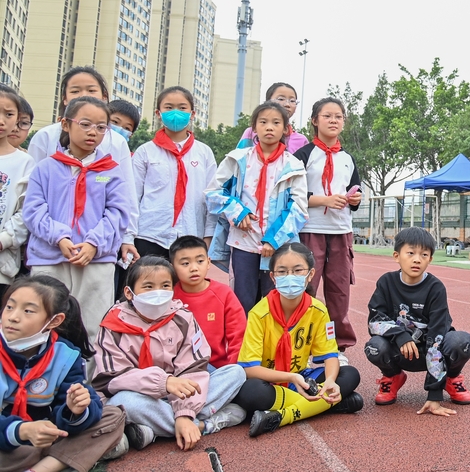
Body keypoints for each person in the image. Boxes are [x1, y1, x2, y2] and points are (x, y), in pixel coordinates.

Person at [92, 256, 247, 451]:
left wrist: (184, 413)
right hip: (141, 396)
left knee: (235, 373)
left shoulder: (183, 318)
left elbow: (194, 367)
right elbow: (112, 378)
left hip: (181, 394)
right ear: (129, 293)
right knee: (123, 402)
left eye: (165, 285)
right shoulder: (113, 324)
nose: (158, 293)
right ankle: (203, 425)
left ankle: (161, 427)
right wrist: (163, 383)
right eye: (148, 287)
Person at [22, 97, 132, 349]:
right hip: (50, 258)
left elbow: (118, 213)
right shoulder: (45, 168)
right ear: (65, 124)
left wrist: (93, 243)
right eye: (85, 124)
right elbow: (33, 210)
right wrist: (60, 237)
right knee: (42, 322)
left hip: (95, 260)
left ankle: (88, 385)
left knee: (94, 327)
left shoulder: (111, 170)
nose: (93, 132)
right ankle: (41, 380)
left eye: (101, 127)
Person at [234, 242, 363, 438]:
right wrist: (291, 377)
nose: (290, 277)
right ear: (273, 277)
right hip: (271, 381)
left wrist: (329, 381)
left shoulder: (318, 310)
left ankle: (282, 416)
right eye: (282, 271)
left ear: (310, 274)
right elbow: (249, 369)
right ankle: (330, 404)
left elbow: (329, 356)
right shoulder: (259, 314)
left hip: (302, 377)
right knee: (249, 392)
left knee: (350, 374)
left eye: (297, 270)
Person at [1, 276, 128, 472]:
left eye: (28, 311)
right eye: (9, 307)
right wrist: (22, 431)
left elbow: (74, 411)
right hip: (9, 441)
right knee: (29, 449)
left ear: (55, 320)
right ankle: (65, 459)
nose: (13, 317)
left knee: (112, 415)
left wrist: (74, 409)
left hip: (41, 439)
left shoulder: (65, 355)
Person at [28, 67, 139, 272]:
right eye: (75, 91)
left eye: (91, 90)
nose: (83, 96)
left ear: (104, 98)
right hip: (49, 251)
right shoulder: (45, 141)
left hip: (97, 253)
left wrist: (124, 237)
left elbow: (124, 201)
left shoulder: (116, 144)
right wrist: (57, 236)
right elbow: (32, 200)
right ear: (64, 99)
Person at [206, 101, 308, 314]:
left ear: (285, 129)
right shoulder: (237, 159)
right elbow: (213, 193)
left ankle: (275, 346)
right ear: (254, 128)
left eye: (276, 122)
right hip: (243, 242)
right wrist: (237, 211)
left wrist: (274, 239)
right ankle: (244, 345)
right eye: (263, 122)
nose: (269, 127)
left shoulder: (293, 165)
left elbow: (299, 208)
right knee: (243, 300)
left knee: (277, 302)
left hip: (279, 246)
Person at [365, 227, 470, 416]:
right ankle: (392, 376)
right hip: (400, 350)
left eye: (424, 254)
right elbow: (375, 321)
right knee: (374, 347)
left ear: (430, 259)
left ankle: (451, 378)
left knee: (461, 342)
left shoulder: (436, 288)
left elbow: (437, 337)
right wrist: (401, 336)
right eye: (411, 253)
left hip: (430, 351)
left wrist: (434, 394)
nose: (417, 259)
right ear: (396, 256)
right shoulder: (386, 282)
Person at [292, 97, 362, 362]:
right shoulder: (304, 155)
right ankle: (304, 343)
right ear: (314, 120)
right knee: (306, 286)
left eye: (338, 116)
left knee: (339, 289)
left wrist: (355, 198)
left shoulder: (347, 158)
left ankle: (335, 346)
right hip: (310, 229)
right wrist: (324, 200)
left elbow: (355, 190)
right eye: (327, 116)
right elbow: (293, 193)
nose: (333, 121)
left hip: (341, 230)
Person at [131, 86, 217, 260]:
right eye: (169, 107)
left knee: (185, 287)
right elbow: (132, 197)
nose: (175, 112)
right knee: (149, 285)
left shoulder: (204, 153)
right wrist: (128, 237)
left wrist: (208, 237)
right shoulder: (145, 152)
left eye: (182, 108)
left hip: (192, 236)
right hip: (150, 235)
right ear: (158, 113)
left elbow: (212, 198)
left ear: (192, 114)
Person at [170, 236, 246, 369]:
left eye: (200, 261)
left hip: (214, 367)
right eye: (185, 263)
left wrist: (233, 368)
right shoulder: (169, 297)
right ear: (173, 267)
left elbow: (238, 336)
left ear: (208, 262)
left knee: (237, 374)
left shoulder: (223, 293)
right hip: (177, 368)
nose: (194, 268)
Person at [0, 90, 34, 300]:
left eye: (9, 114)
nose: (2, 121)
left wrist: (4, 239)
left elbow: (26, 211)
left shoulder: (24, 163)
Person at [237, 83, 308, 153]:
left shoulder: (301, 141)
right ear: (268, 102)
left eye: (292, 101)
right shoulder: (251, 132)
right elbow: (238, 159)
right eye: (281, 99)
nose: (287, 104)